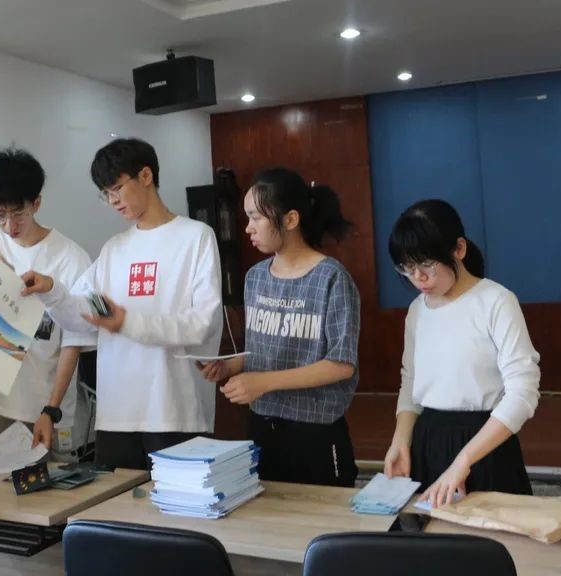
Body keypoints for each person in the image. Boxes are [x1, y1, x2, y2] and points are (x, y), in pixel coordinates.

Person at [20, 138, 222, 470]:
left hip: (174, 409)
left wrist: (126, 322)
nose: (113, 200)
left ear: (146, 176)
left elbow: (203, 323)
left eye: (117, 188)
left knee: (176, 502)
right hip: (116, 414)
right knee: (114, 502)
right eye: (105, 193)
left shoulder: (195, 237)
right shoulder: (115, 249)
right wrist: (52, 291)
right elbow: (84, 316)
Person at [199, 168, 360, 486]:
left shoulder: (331, 277)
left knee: (321, 514)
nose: (248, 228)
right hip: (262, 426)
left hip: (315, 431)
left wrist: (264, 382)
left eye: (256, 217)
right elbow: (263, 351)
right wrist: (230, 366)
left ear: (290, 219)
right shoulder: (255, 277)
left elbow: (341, 364)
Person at [382, 199, 540, 507]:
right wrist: (400, 440)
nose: (418, 277)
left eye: (427, 264)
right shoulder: (417, 311)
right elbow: (410, 383)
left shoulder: (496, 301)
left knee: (490, 534)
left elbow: (523, 393)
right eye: (407, 267)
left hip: (485, 445)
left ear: (459, 249)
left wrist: (463, 461)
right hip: (427, 443)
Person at [0, 147, 92, 454]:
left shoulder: (71, 257)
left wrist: (51, 409)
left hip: (50, 403)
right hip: (0, 398)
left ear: (36, 204)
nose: (9, 226)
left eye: (18, 214)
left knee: (56, 480)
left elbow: (73, 342)